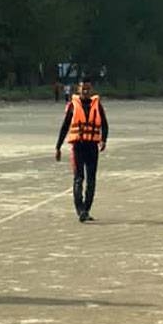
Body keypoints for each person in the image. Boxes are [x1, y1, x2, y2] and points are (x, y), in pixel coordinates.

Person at [55, 77, 108, 222]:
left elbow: (104, 124)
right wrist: (58, 147)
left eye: (88, 88)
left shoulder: (97, 105)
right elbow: (65, 126)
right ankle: (80, 210)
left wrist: (103, 140)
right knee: (79, 178)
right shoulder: (73, 105)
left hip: (92, 147)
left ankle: (86, 209)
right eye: (82, 88)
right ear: (78, 89)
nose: (85, 90)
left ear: (91, 90)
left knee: (91, 180)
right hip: (78, 146)